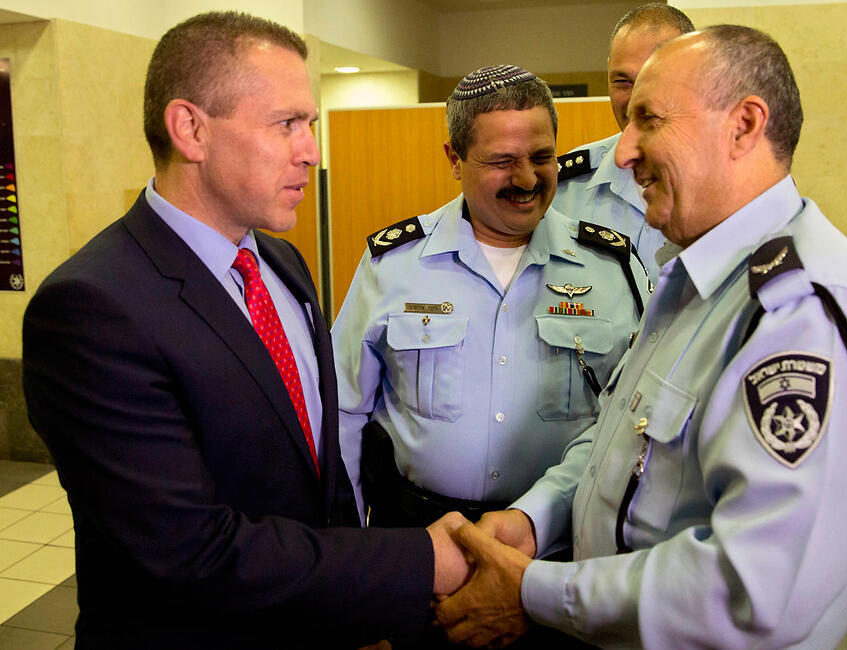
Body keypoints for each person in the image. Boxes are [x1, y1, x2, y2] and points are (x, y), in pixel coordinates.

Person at [436, 25, 847, 649]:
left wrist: (534, 592)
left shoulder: (802, 311)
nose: (624, 151)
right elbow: (620, 443)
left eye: (650, 120)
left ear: (743, 126)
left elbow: (754, 590)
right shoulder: (698, 280)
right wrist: (534, 519)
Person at [21, 12, 466, 649]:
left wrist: (358, 614)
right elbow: (188, 552)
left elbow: (318, 467)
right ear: (190, 129)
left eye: (310, 125)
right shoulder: (92, 309)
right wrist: (417, 563)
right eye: (286, 124)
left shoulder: (280, 263)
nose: (311, 151)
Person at [332, 65, 648, 531]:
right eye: (502, 161)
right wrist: (350, 540)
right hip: (418, 536)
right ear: (455, 159)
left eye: (541, 157)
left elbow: (631, 417)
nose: (527, 179)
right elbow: (343, 411)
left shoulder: (612, 268)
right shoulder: (393, 265)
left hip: (557, 541)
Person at [550, 3, 694, 275]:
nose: (635, 100)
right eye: (622, 82)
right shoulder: (560, 192)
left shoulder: (729, 193)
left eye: (655, 80)